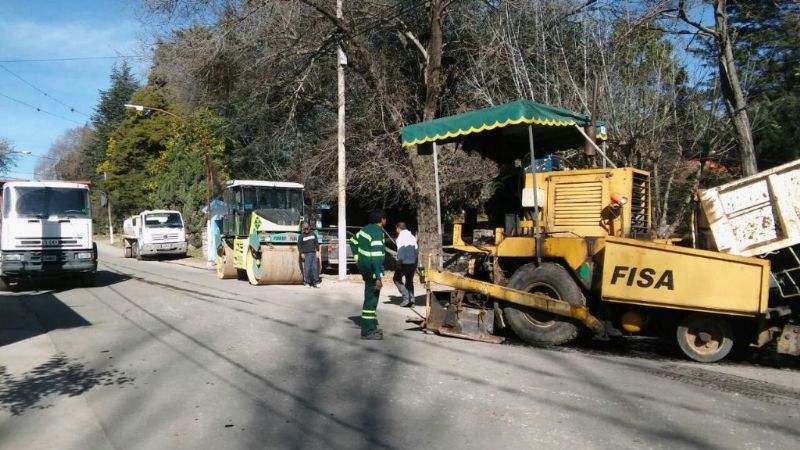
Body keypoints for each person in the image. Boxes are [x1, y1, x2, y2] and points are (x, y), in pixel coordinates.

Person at [349, 210, 387, 340]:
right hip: (372, 272)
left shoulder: (364, 230)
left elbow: (352, 241)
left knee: (371, 298)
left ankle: (371, 326)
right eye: (385, 219)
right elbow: (376, 258)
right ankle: (367, 330)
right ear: (382, 219)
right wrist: (378, 277)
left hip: (365, 270)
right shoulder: (377, 233)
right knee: (371, 300)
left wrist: (358, 258)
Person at [393, 222, 418, 307]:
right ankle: (412, 301)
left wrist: (399, 263)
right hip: (413, 262)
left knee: (396, 278)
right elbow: (416, 250)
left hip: (405, 263)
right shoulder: (412, 237)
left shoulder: (400, 238)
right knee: (409, 281)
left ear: (398, 228)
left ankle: (406, 297)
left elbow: (401, 253)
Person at [297, 223, 321, 288]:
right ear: (303, 229)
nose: (306, 229)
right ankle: (307, 282)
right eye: (305, 228)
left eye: (307, 228)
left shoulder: (313, 234)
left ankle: (316, 282)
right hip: (306, 254)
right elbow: (299, 245)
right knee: (307, 269)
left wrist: (318, 251)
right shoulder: (301, 236)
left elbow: (316, 242)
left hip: (313, 253)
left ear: (309, 228)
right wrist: (301, 253)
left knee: (315, 268)